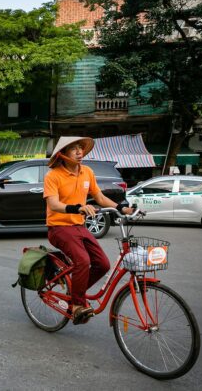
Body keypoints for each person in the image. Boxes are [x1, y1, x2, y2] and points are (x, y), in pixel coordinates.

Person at [43, 137, 133, 325]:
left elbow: (99, 197)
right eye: (74, 149)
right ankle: (77, 305)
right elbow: (53, 204)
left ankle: (76, 290)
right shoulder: (53, 176)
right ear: (62, 154)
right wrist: (77, 208)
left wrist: (121, 208)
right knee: (82, 260)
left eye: (80, 149)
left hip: (79, 227)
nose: (79, 152)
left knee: (103, 264)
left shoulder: (87, 172)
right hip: (59, 227)